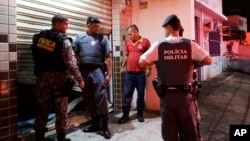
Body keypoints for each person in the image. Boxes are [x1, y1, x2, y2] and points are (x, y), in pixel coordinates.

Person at [138, 14, 212, 141]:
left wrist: (157, 61)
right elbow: (208, 60)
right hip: (185, 97)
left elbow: (141, 63)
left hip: (167, 97)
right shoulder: (190, 45)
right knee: (189, 132)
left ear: (169, 27)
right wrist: (191, 63)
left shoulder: (159, 45)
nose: (165, 32)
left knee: (169, 132)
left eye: (165, 29)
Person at [31, 13, 85, 141]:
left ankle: (39, 138)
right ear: (58, 24)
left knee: (42, 109)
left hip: (42, 80)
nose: (67, 26)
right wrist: (80, 79)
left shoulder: (38, 37)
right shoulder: (63, 40)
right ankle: (61, 138)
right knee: (61, 111)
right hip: (59, 81)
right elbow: (71, 62)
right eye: (66, 24)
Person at [73, 16, 113, 139]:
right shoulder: (79, 38)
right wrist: (76, 75)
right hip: (84, 71)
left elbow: (108, 57)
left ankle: (105, 126)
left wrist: (110, 74)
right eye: (95, 26)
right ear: (88, 25)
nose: (97, 28)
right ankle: (95, 123)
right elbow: (74, 56)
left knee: (101, 97)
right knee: (87, 98)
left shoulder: (103, 39)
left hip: (97, 70)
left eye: (98, 26)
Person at [118, 24, 151, 124]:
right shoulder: (128, 42)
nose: (129, 36)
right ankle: (125, 115)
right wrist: (122, 67)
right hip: (129, 74)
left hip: (140, 74)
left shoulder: (145, 41)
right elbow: (126, 56)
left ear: (136, 32)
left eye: (130, 34)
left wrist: (149, 68)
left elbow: (149, 55)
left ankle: (140, 113)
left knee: (140, 95)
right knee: (127, 94)